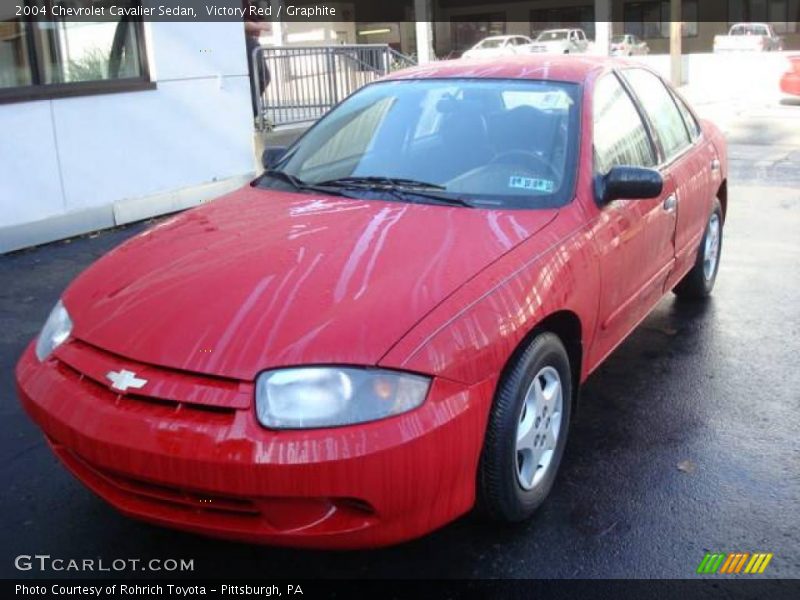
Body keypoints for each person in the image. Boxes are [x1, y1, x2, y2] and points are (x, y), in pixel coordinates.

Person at [244, 0, 271, 116]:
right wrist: (259, 26)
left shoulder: (253, 5)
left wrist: (258, 25)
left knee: (264, 77)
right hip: (246, 42)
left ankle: (251, 106)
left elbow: (265, 24)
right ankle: (253, 112)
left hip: (254, 43)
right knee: (254, 78)